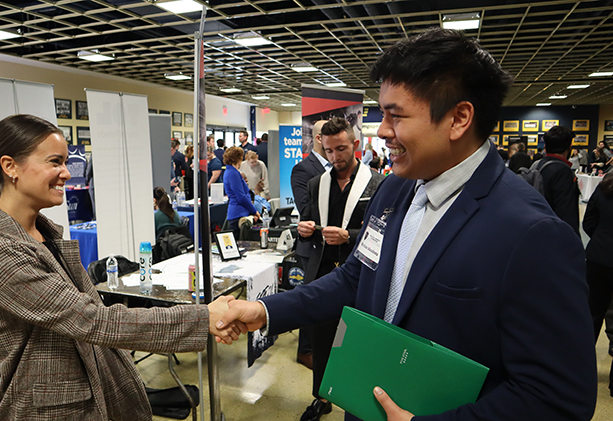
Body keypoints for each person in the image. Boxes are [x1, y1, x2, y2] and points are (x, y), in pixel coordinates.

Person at [217, 28, 596, 421]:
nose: (381, 130)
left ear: (459, 118)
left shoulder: (533, 234)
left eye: (396, 116)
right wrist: (265, 311)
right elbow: (355, 279)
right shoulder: (395, 190)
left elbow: (558, 398)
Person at [0, 114, 242, 420]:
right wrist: (202, 318)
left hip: (89, 391)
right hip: (47, 410)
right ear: (10, 166)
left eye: (65, 162)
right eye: (55, 162)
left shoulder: (42, 234)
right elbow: (89, 319)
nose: (66, 173)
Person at [295, 117, 383, 421]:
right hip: (322, 274)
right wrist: (303, 228)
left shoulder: (377, 183)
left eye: (341, 149)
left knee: (357, 344)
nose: (335, 157)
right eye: (329, 150)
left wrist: (351, 236)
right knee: (321, 342)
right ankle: (321, 396)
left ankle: (357, 401)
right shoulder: (316, 183)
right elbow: (305, 224)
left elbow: (385, 233)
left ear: (355, 145)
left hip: (360, 276)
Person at [290, 119, 330, 370]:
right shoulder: (304, 169)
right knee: (309, 298)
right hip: (312, 244)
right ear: (318, 139)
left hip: (332, 245)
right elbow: (305, 208)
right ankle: (305, 350)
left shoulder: (340, 168)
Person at [582, 172, 613, 397]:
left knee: (591, 315)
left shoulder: (604, 187)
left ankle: (581, 371)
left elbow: (588, 222)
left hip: (599, 258)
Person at [536, 125, 581, 236]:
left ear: (546, 146)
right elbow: (567, 212)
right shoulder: (563, 171)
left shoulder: (538, 165)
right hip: (555, 234)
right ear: (569, 147)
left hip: (538, 227)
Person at [223, 146, 260, 239]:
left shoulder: (230, 172)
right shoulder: (233, 173)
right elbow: (241, 197)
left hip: (238, 212)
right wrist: (254, 211)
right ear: (238, 159)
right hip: (238, 214)